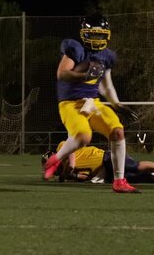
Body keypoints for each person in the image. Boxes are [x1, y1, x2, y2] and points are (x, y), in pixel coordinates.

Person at [42, 14, 140, 193]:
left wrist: (117, 105)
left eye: (99, 35)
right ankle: (56, 159)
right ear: (83, 34)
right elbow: (62, 73)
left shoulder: (106, 55)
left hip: (92, 102)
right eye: (92, 34)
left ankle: (119, 181)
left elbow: (106, 85)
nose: (96, 39)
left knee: (117, 132)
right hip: (70, 103)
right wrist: (84, 76)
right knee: (83, 137)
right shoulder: (75, 48)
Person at [42, 143, 154, 184]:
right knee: (144, 178)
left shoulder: (62, 147)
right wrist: (73, 176)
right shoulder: (65, 174)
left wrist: (69, 171)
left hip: (106, 158)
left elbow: (71, 157)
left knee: (135, 166)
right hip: (106, 175)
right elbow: (84, 177)